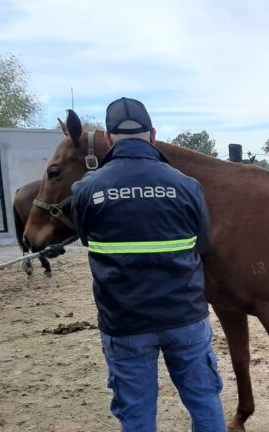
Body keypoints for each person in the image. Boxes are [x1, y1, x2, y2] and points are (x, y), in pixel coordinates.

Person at [71, 97, 226, 431]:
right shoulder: (187, 186)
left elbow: (87, 239)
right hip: (185, 317)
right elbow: (203, 244)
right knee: (204, 402)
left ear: (110, 140)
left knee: (137, 414)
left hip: (124, 323)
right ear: (153, 135)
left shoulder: (86, 189)